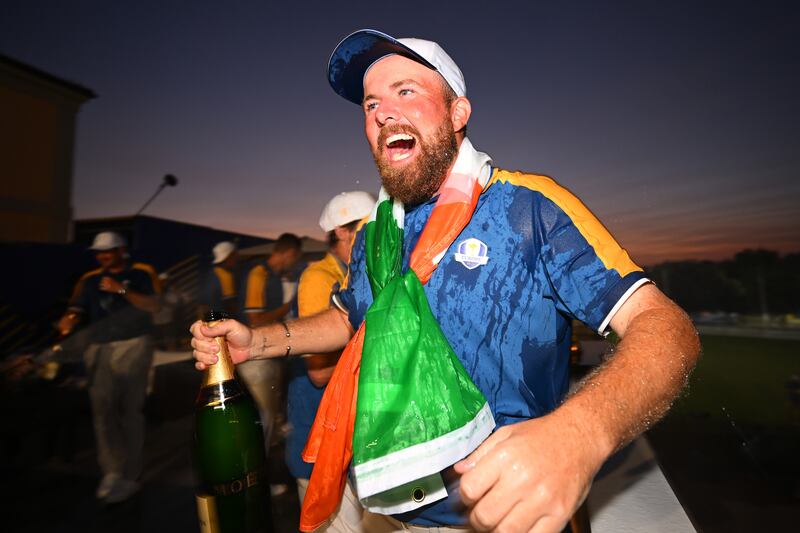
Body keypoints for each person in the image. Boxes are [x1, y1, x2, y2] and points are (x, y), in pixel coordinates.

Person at [192, 29, 700, 533]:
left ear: (458, 113)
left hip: (495, 513)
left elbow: (666, 327)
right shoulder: (376, 233)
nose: (383, 114)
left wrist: (580, 432)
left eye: (406, 92)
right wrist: (257, 341)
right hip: (384, 497)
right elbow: (351, 317)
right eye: (370, 105)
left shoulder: (527, 207)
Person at [286, 191, 382, 531]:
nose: (377, 233)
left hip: (349, 440)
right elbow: (319, 372)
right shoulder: (319, 277)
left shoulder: (358, 272)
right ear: (341, 231)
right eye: (367, 226)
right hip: (320, 437)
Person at [58, 231, 161, 503]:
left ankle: (131, 474)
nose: (102, 255)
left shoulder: (141, 273)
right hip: (99, 349)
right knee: (102, 412)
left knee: (129, 410)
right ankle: (112, 472)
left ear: (121, 250)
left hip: (133, 345)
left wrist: (121, 289)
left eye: (108, 250)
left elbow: (154, 306)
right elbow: (76, 309)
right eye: (99, 252)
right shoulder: (88, 280)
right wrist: (68, 320)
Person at [240, 233, 302, 448]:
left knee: (269, 417)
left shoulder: (274, 277)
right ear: (289, 253)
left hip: (269, 353)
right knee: (260, 419)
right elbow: (254, 319)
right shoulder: (258, 274)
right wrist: (288, 307)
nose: (294, 262)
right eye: (295, 257)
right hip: (255, 358)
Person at [198, 241, 242, 321]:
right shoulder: (225, 276)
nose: (238, 258)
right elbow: (230, 304)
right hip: (220, 318)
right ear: (229, 256)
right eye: (235, 255)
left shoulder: (212, 273)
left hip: (209, 317)